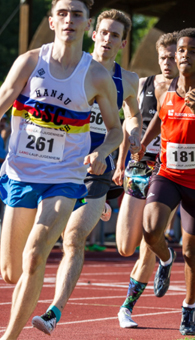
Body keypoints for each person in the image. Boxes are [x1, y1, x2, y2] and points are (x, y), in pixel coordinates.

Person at [0, 0, 124, 339]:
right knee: (11, 271)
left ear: (88, 25)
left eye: (78, 14)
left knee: (37, 253)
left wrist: (102, 151)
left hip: (65, 177)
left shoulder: (97, 75)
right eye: (63, 14)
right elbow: (3, 98)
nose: (70, 20)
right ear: (52, 20)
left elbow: (116, 130)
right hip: (21, 174)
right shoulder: (29, 62)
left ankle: (9, 336)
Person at [31, 8, 142, 336]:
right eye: (104, 32)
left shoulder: (129, 80)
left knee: (75, 238)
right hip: (59, 165)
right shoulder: (69, 68)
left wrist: (133, 129)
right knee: (47, 238)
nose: (108, 40)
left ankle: (54, 312)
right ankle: (98, 208)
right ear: (94, 34)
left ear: (123, 43)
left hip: (98, 169)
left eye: (115, 36)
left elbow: (132, 115)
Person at [139, 28, 195, 336]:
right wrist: (141, 144)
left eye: (192, 51)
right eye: (181, 50)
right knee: (149, 229)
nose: (185, 55)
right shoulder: (167, 90)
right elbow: (159, 118)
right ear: (174, 56)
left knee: (193, 253)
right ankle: (165, 258)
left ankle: (188, 308)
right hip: (167, 174)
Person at [113, 32, 178, 328]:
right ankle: (168, 255)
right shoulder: (142, 85)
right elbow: (129, 127)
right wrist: (119, 162)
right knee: (125, 246)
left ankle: (126, 308)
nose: (167, 62)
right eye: (163, 57)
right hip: (138, 169)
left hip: (170, 172)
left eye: (173, 57)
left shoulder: (191, 92)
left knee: (149, 241)